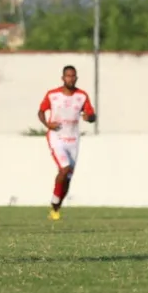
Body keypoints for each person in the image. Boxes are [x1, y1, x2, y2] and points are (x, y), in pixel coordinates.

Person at [38, 65, 96, 220]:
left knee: (68, 177)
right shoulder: (53, 95)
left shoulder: (82, 96)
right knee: (64, 168)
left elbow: (92, 115)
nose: (71, 79)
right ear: (63, 78)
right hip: (56, 137)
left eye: (73, 76)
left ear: (76, 78)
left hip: (73, 139)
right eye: (68, 76)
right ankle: (54, 201)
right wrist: (47, 124)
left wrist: (89, 117)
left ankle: (56, 207)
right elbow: (41, 111)